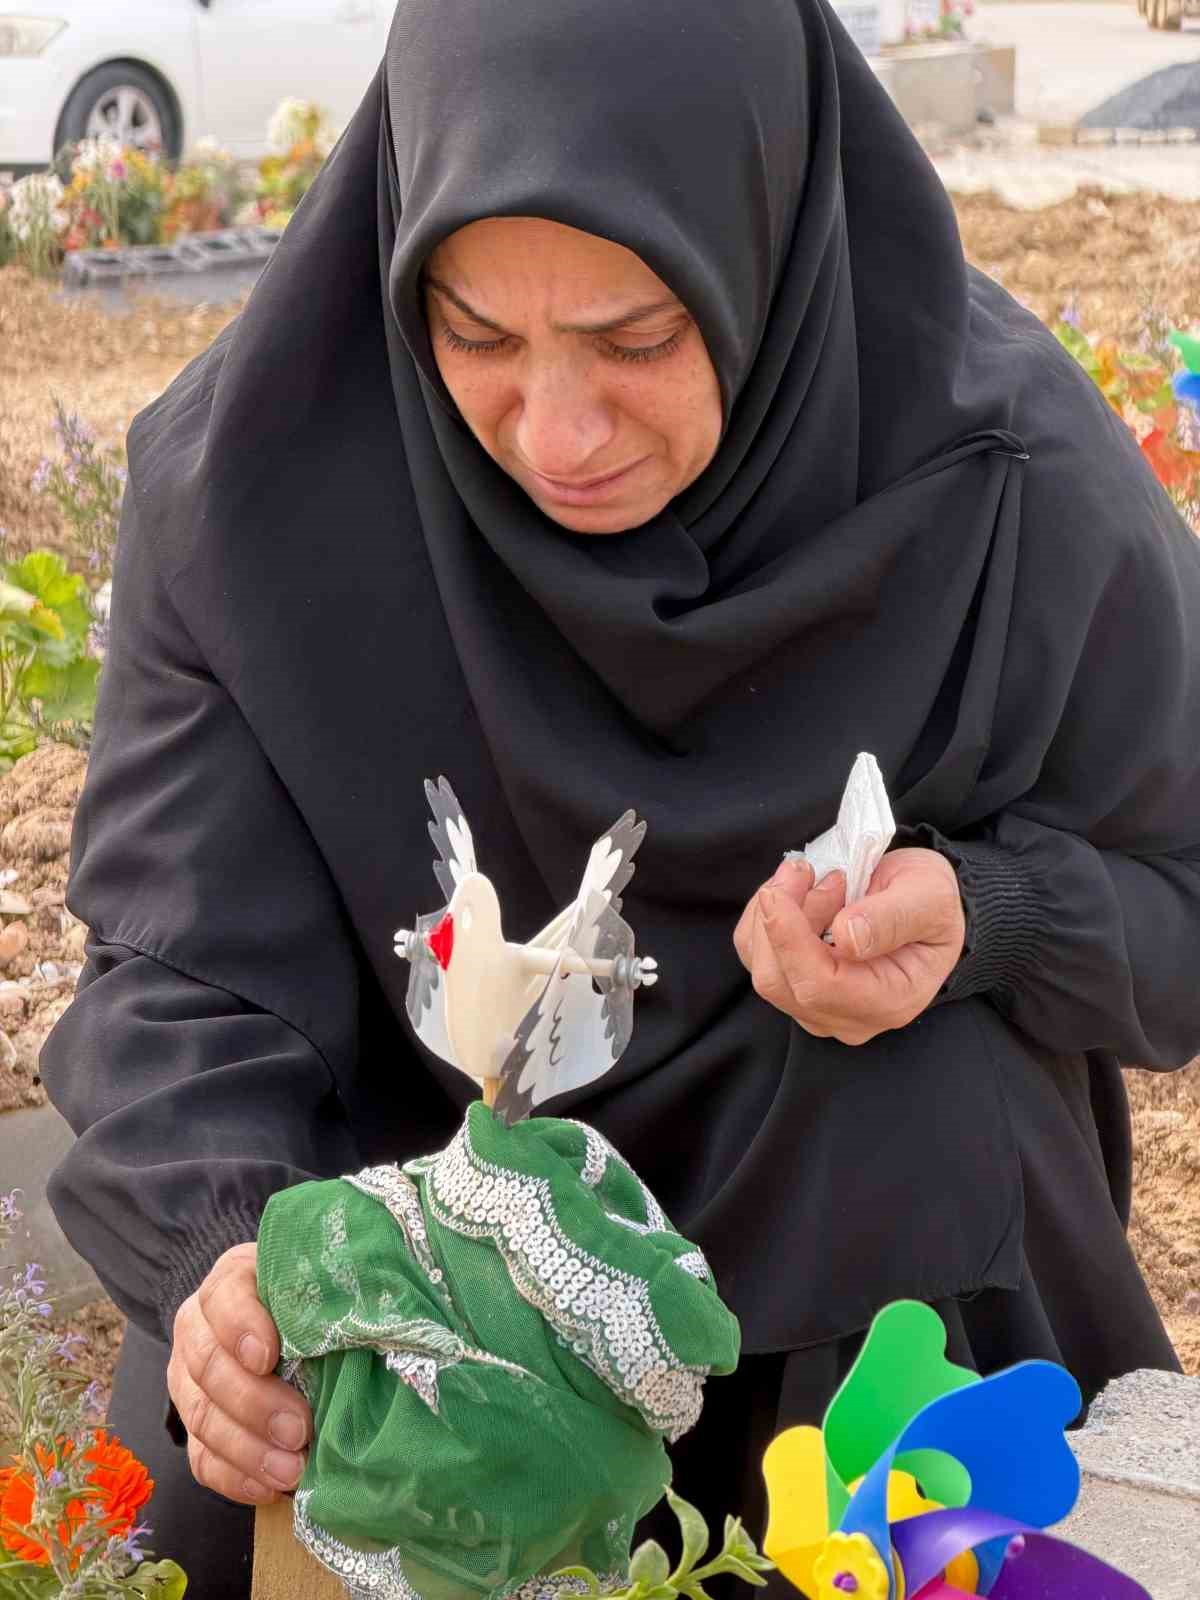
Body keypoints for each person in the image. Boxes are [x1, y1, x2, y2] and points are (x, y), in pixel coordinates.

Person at [40, 0, 1200, 1595]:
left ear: (772, 244)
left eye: (638, 339)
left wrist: (988, 916)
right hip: (426, 1217)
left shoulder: (1000, 483)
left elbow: (1184, 894)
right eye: (474, 338)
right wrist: (226, 1257)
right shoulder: (256, 493)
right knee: (214, 1446)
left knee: (940, 1119)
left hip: (837, 1218)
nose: (557, 434)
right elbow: (178, 979)